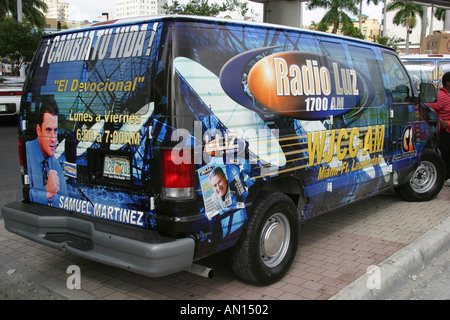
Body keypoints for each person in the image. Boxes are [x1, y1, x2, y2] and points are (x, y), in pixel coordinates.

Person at [26, 101, 67, 206]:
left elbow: (66, 200)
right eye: (48, 130)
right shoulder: (27, 152)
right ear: (38, 130)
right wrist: (47, 193)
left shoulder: (55, 165)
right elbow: (22, 196)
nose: (53, 139)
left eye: (55, 131)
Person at [429, 72, 450, 186]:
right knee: (446, 154)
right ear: (448, 83)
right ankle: (445, 177)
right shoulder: (441, 96)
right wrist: (441, 121)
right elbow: (428, 108)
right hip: (444, 132)